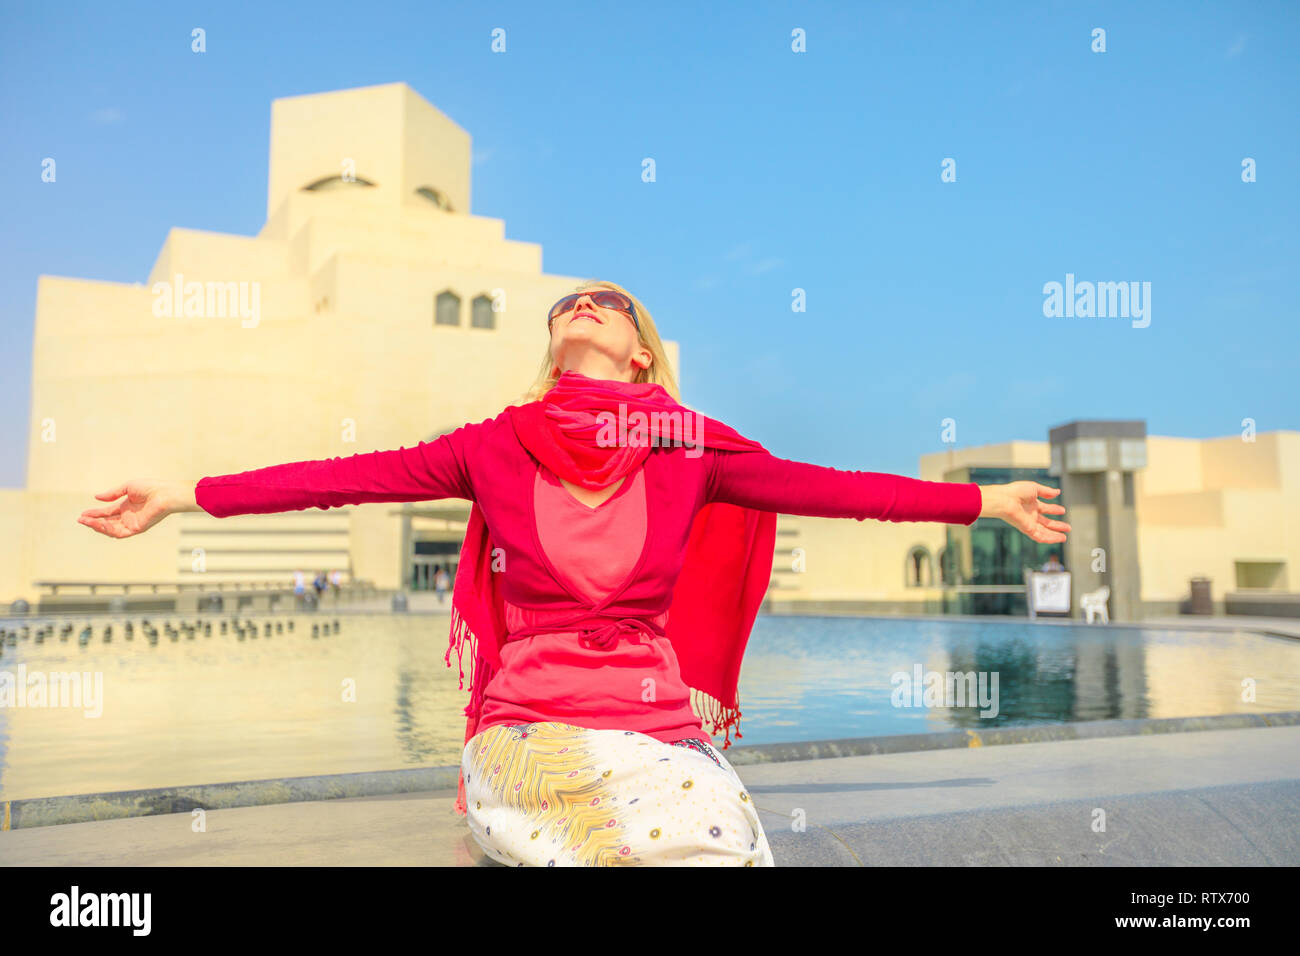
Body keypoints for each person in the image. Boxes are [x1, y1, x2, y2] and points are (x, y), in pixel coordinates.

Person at [76, 279, 1069, 867]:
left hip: (660, 731)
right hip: (528, 731)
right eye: (566, 303)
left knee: (720, 842)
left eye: (606, 301)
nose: (581, 303)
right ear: (556, 342)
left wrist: (985, 501)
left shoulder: (691, 450)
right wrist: (179, 493)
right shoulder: (491, 445)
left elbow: (836, 488)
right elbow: (342, 478)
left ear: (642, 353)